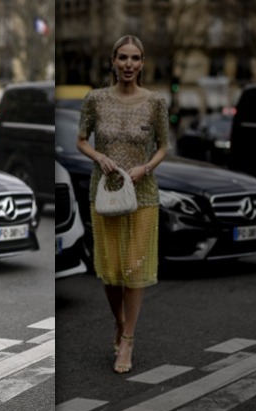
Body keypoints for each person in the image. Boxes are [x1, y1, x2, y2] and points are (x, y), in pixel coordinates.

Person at [76, 35, 169, 374]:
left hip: (142, 194)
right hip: (104, 191)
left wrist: (147, 166)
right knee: (111, 270)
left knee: (134, 268)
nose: (129, 64)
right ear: (113, 62)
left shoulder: (156, 101)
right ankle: (119, 320)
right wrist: (99, 156)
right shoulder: (95, 100)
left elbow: (163, 146)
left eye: (135, 58)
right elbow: (81, 140)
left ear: (142, 63)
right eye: (123, 58)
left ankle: (128, 339)